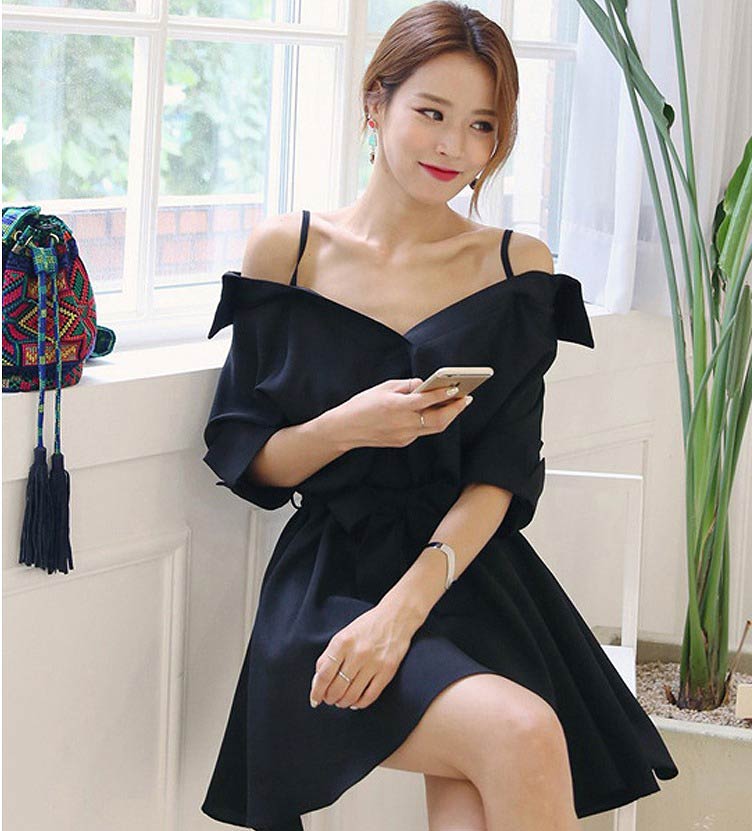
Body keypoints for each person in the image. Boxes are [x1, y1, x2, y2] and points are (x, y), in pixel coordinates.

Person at [200, 3, 679, 830]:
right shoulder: (290, 251)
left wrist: (405, 611)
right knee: (520, 731)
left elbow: (502, 473)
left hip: (468, 573)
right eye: (432, 113)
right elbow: (252, 458)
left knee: (485, 783)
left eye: (482, 125)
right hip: (332, 583)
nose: (454, 145)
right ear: (376, 102)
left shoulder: (515, 266)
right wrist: (352, 424)